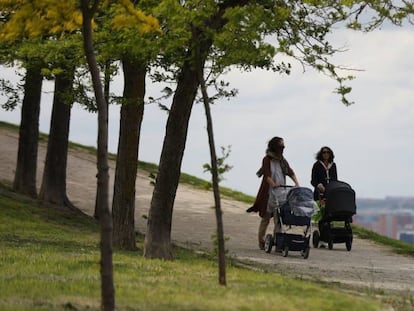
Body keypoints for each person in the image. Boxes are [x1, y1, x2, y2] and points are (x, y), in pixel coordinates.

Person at [246, 137, 300, 250]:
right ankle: (261, 241)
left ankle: (278, 242)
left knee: (278, 219)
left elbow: (290, 172)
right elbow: (266, 175)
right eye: (281, 146)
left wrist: (296, 183)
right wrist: (272, 183)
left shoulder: (282, 161)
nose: (282, 149)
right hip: (269, 193)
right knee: (265, 218)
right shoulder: (267, 159)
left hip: (281, 193)